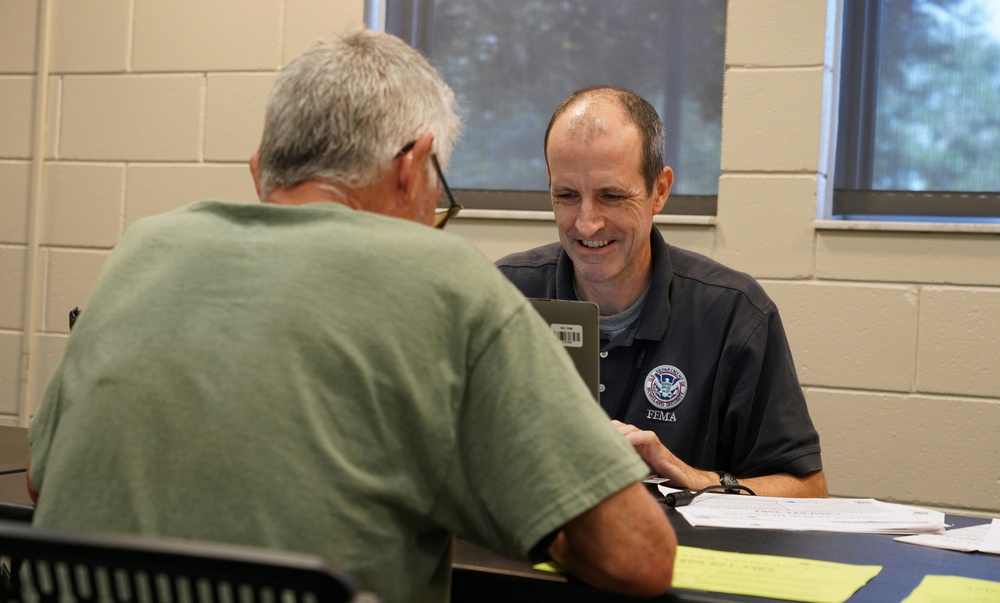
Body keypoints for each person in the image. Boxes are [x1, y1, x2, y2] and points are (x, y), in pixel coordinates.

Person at [25, 33, 676, 602]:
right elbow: (638, 555)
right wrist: (525, 512)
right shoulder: (444, 278)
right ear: (412, 166)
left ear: (263, 170)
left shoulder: (141, 249)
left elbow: (39, 478)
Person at [496, 86, 827, 498]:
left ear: (660, 190)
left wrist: (687, 476)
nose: (586, 225)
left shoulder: (733, 314)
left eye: (612, 196)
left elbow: (807, 490)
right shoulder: (504, 295)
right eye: (566, 196)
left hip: (682, 556)